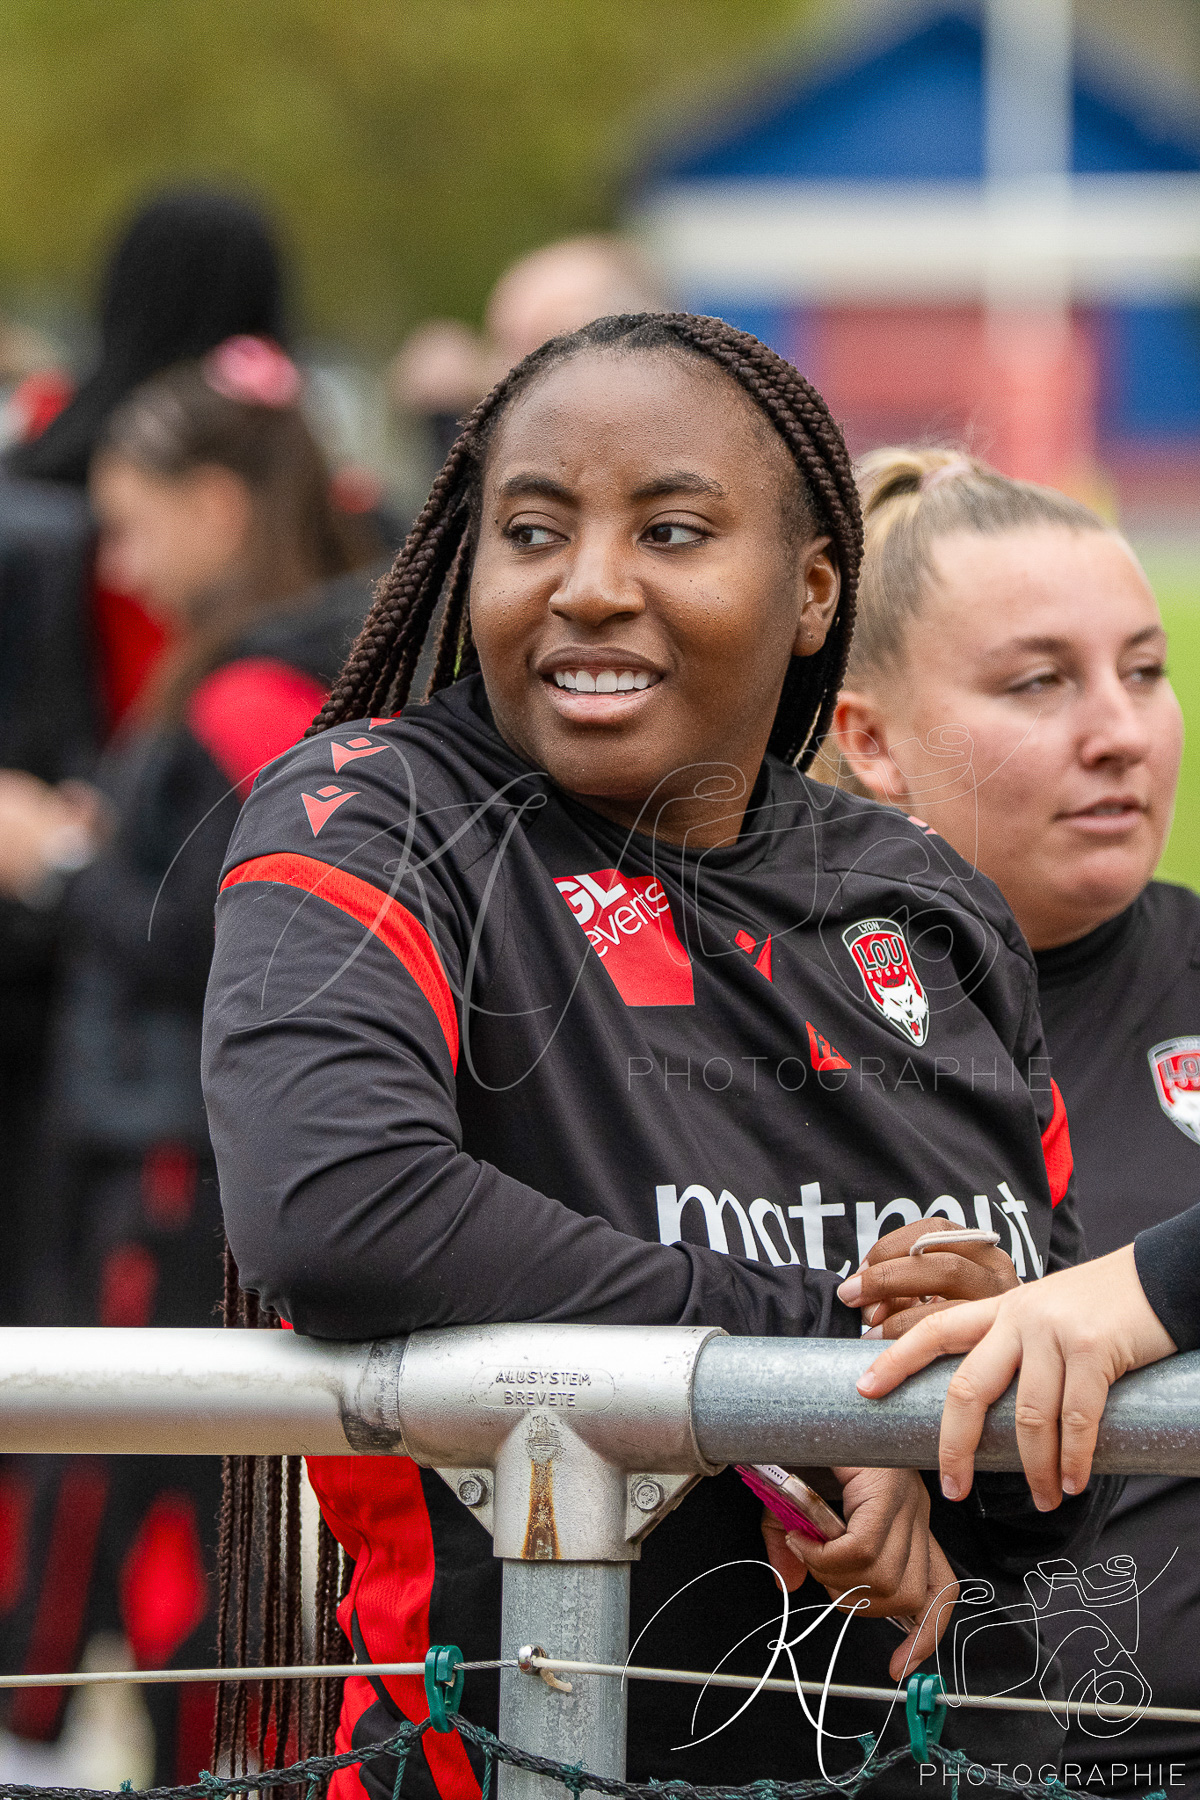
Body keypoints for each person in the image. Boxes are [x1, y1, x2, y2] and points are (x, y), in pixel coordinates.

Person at [203, 314, 1108, 1796]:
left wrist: (975, 1388)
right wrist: (816, 1374)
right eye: (533, 529)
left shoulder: (929, 902)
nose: (592, 585)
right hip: (511, 1762)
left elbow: (1047, 1478)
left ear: (814, 591)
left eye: (673, 529)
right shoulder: (374, 813)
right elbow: (339, 1211)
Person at [0, 337, 376, 1783]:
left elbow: (242, 913)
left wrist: (65, 861)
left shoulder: (249, 693)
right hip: (183, 1137)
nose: (125, 562)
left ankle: (59, 1728)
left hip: (179, 1153)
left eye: (137, 523)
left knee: (134, 1459)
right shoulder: (272, 666)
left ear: (218, 508)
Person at [825, 445, 1198, 1786]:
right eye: (1040, 683)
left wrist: (1124, 1299)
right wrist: (830, 1426)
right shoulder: (742, 1021)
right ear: (869, 737)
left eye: (1144, 672)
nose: (1119, 731)